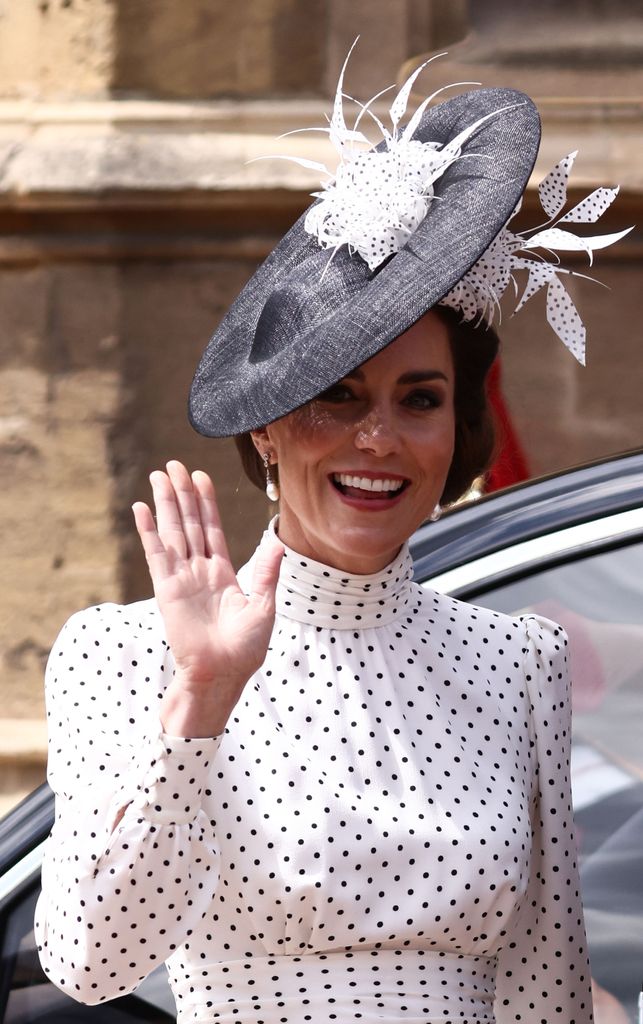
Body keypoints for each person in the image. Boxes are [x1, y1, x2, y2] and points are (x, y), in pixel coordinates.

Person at [35, 48, 628, 1024]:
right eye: (337, 397)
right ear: (266, 422)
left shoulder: (517, 661)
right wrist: (204, 697)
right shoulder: (127, 652)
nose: (379, 438)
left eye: (419, 399)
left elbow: (543, 993)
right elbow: (88, 960)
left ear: (457, 427)